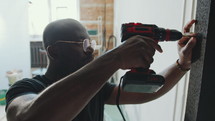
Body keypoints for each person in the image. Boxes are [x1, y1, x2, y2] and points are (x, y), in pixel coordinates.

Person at [5, 18, 197, 121]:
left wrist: (182, 63)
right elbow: (28, 118)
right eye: (83, 43)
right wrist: (115, 57)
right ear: (54, 51)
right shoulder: (24, 89)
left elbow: (146, 92)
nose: (90, 50)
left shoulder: (95, 86)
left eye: (91, 43)